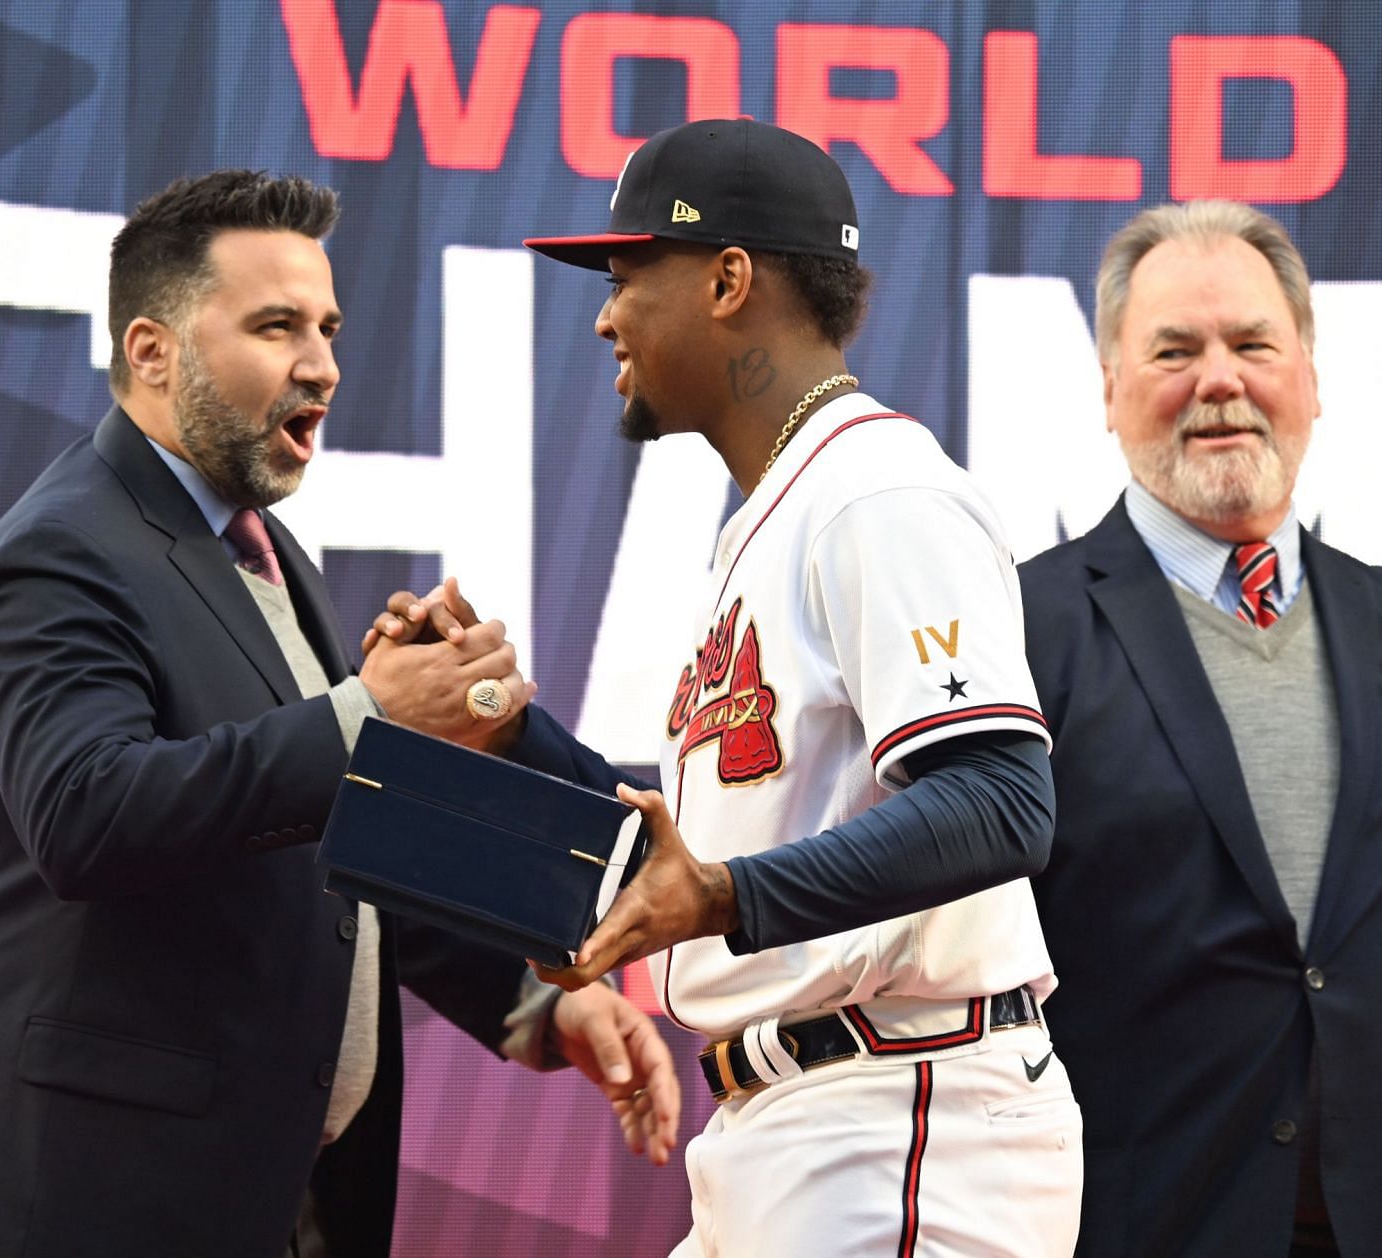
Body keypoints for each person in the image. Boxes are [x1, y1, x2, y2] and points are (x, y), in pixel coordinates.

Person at [0, 169, 679, 1258]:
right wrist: (361, 716)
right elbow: (87, 815)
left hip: (256, 1193)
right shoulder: (60, 550)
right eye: (277, 326)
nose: (323, 365)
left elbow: (311, 846)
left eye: (329, 328)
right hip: (77, 1195)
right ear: (150, 352)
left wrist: (531, 1003)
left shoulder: (257, 551)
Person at [377, 118, 1081, 1256]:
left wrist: (720, 898)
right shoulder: (777, 512)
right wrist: (497, 724)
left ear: (728, 278)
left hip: (903, 1115)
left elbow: (1003, 800)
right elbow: (700, 852)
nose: (605, 314)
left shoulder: (875, 487)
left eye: (624, 276)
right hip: (807, 1120)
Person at [1014, 200, 1382, 1258]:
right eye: (1174, 350)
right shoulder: (1022, 628)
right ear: (1110, 391)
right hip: (1130, 1228)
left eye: (1253, 345)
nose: (1219, 379)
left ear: (1308, 377)